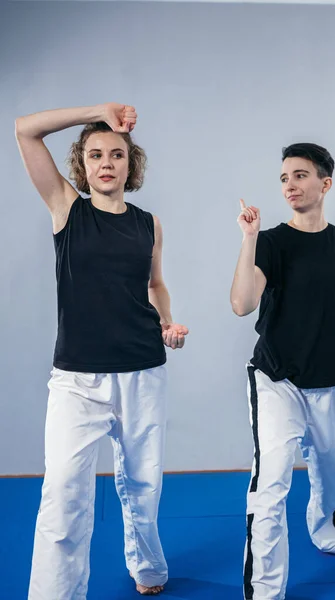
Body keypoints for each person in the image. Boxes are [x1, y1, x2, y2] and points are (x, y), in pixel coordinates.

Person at [15, 102, 188, 598]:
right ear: (82, 164)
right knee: (64, 491)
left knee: (144, 486)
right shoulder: (66, 209)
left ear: (131, 165)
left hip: (142, 370)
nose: (107, 162)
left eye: (117, 153)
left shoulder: (149, 224)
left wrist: (168, 323)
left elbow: (155, 286)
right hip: (79, 377)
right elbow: (25, 132)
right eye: (95, 154)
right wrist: (97, 111)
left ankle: (148, 567)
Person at [230, 142, 335, 600]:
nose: (290, 185)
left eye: (300, 176)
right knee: (272, 482)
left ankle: (325, 531)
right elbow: (242, 304)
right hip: (277, 378)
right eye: (284, 178)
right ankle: (265, 590)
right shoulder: (272, 242)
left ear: (325, 183)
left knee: (331, 470)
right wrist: (249, 239)